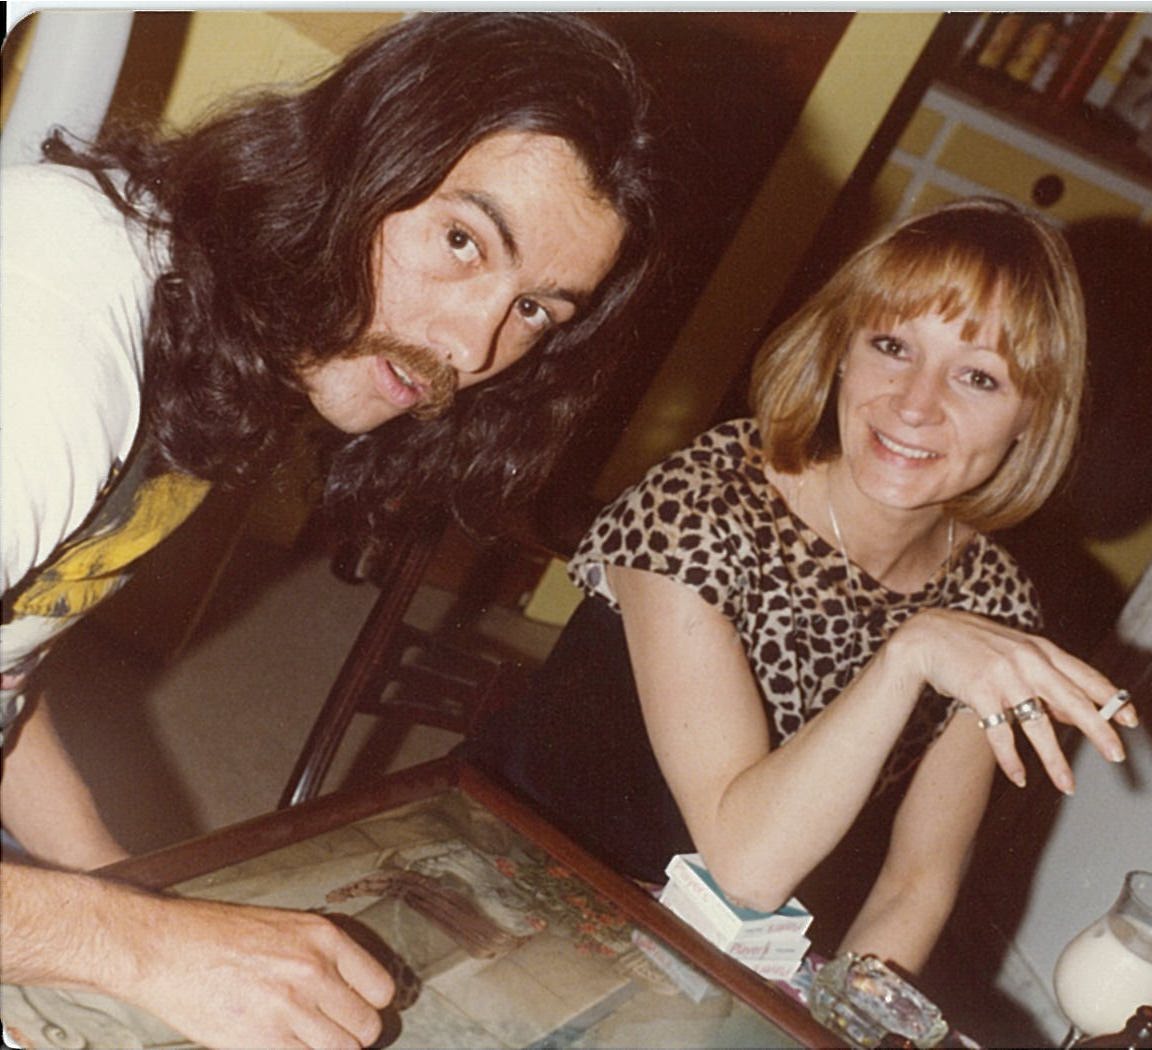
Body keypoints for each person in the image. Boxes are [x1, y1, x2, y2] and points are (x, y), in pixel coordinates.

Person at [1, 13, 662, 1048]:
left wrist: (128, 888)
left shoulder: (230, 341)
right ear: (360, 154)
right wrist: (133, 943)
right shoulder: (61, 317)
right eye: (461, 240)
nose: (471, 345)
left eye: (536, 310)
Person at [462, 196, 1138, 974]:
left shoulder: (992, 599)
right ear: (841, 351)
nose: (915, 404)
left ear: (1031, 417)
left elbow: (916, 884)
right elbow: (745, 867)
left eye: (978, 378)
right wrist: (910, 652)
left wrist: (852, 1021)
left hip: (705, 955)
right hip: (510, 871)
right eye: (891, 345)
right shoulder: (708, 500)